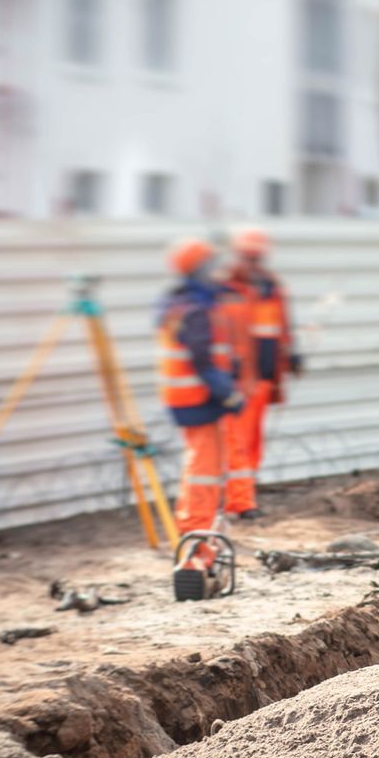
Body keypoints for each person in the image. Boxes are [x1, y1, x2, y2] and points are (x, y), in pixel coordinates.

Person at [157, 237, 240, 573]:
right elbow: (202, 360)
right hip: (198, 399)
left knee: (203, 470)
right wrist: (228, 393)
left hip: (191, 399)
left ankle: (198, 539)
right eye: (212, 265)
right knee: (202, 474)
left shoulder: (183, 304)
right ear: (199, 269)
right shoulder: (194, 310)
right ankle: (195, 547)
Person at [220, 226, 300, 520]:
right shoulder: (226, 289)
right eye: (247, 257)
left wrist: (292, 353)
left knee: (253, 441)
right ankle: (239, 502)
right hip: (238, 380)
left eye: (257, 258)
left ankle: (246, 494)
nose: (253, 264)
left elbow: (282, 326)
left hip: (266, 377)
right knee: (236, 441)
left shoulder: (271, 287)